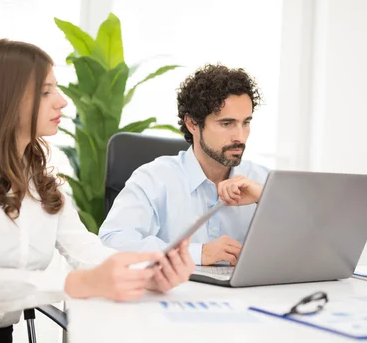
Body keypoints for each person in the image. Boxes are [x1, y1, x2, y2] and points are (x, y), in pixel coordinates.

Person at [0, 39, 194, 343]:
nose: (62, 101)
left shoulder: (40, 181)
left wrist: (147, 277)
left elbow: (85, 251)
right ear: (6, 98)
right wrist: (78, 283)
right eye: (46, 92)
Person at [99, 64, 269, 266]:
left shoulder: (263, 180)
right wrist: (197, 253)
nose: (240, 136)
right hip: (174, 294)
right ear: (192, 124)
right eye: (226, 124)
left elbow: (309, 241)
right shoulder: (154, 178)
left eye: (246, 123)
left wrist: (265, 198)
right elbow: (112, 242)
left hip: (253, 297)